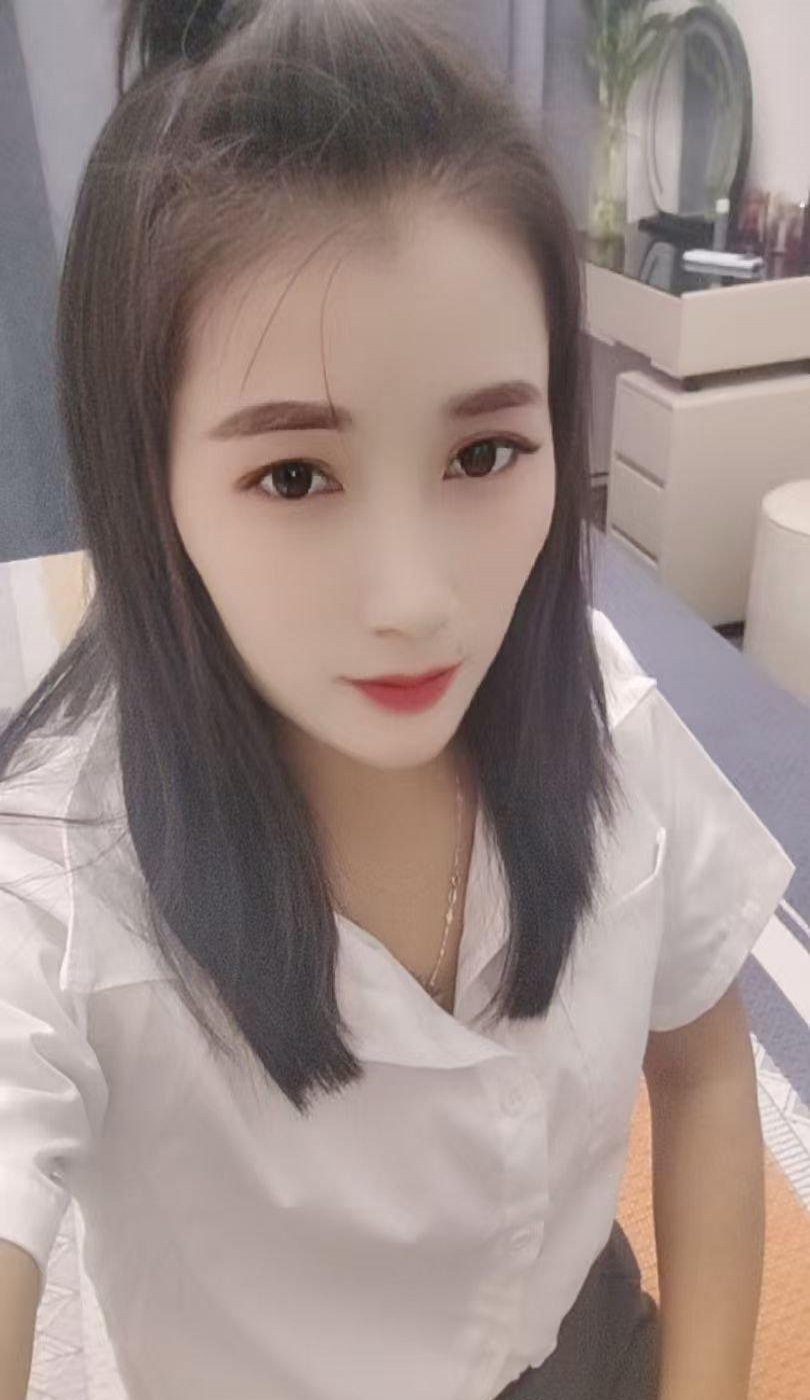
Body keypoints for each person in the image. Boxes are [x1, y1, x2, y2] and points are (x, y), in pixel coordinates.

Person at [0, 2, 796, 1398]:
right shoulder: (55, 880)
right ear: (149, 481)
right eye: (293, 476)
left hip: (582, 1335)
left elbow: (707, 1069)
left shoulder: (606, 719)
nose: (417, 599)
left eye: (484, 452)